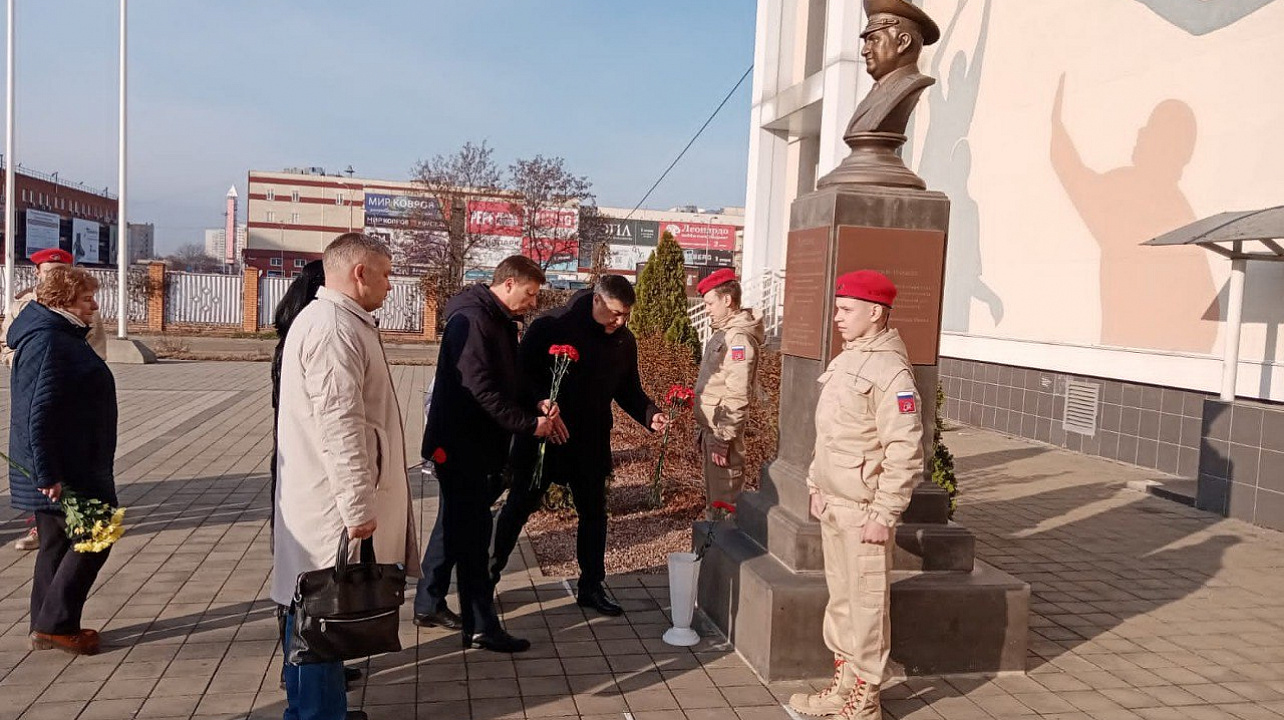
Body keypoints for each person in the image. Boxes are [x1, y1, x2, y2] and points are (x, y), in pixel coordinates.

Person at [272, 233, 420, 720]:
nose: (391, 283)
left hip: (323, 498)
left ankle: (312, 710)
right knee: (321, 615)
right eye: (386, 272)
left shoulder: (337, 320)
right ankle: (317, 715)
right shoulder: (335, 327)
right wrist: (359, 508)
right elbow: (341, 426)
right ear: (359, 272)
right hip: (333, 505)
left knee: (312, 614)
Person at [788, 270, 923, 720]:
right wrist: (815, 483)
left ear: (875, 313)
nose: (837, 318)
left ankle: (865, 701)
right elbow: (831, 435)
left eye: (847, 310)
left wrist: (884, 513)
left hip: (865, 512)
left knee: (867, 609)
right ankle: (843, 685)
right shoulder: (848, 360)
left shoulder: (891, 371)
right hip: (836, 504)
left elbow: (905, 451)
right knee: (843, 603)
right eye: (838, 308)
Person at [492, 275, 667, 617]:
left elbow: (628, 389)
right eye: (615, 313)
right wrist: (541, 402)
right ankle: (488, 575)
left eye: (626, 315)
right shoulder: (551, 326)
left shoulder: (623, 342)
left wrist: (651, 414)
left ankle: (591, 586)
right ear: (597, 302)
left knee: (594, 514)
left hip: (590, 442)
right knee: (518, 507)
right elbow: (520, 375)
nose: (621, 322)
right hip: (544, 437)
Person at [420, 255, 564, 653]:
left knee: (460, 528)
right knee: (472, 537)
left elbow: (509, 376)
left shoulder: (496, 319)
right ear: (508, 284)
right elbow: (481, 390)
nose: (533, 304)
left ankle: (435, 604)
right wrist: (529, 425)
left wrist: (537, 400)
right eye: (530, 294)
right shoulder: (476, 320)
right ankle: (481, 626)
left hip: (475, 448)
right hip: (463, 447)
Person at [7, 266, 117, 655]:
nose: (95, 305)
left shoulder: (59, 334)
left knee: (55, 543)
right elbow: (39, 411)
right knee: (98, 534)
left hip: (64, 463)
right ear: (63, 300)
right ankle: (57, 624)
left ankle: (45, 624)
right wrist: (47, 473)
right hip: (64, 468)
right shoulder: (51, 340)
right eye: (87, 299)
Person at [267, 261, 364, 692]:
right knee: (310, 589)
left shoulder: (299, 331)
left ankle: (308, 669)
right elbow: (336, 423)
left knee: (304, 585)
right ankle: (305, 671)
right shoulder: (323, 332)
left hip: (297, 466)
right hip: (311, 474)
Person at [4, 248, 107, 553]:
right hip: (45, 395)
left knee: (59, 545)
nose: (54, 276)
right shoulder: (26, 310)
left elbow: (95, 349)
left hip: (68, 399)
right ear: (38, 273)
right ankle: (44, 526)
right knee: (76, 543)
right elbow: (8, 344)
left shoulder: (77, 319)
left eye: (60, 271)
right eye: (49, 271)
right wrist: (22, 364)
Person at [693, 269, 764, 511]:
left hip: (724, 435)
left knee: (724, 505)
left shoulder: (738, 340)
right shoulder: (723, 333)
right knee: (716, 501)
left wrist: (723, 438)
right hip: (714, 432)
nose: (707, 309)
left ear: (727, 300)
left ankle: (718, 547)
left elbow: (737, 394)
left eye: (710, 303)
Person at [844, 0, 941, 136]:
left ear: (903, 42)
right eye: (866, 42)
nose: (864, 50)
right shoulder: (875, 93)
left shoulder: (908, 88)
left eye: (874, 40)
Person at [410, 384, 461, 631]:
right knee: (450, 527)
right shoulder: (467, 346)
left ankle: (430, 600)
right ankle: (428, 602)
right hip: (458, 453)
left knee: (455, 526)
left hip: (457, 451)